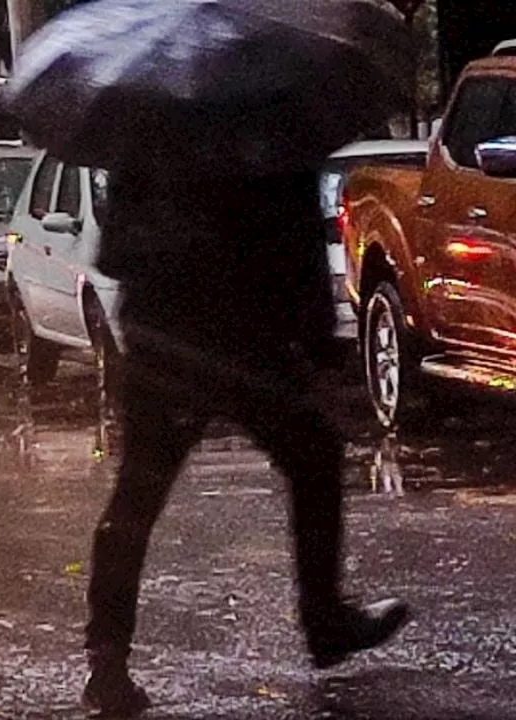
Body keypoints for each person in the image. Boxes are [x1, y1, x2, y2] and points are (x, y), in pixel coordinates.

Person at [79, 126, 410, 716]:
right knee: (313, 462)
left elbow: (114, 254)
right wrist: (314, 345)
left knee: (136, 499)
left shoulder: (147, 136)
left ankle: (107, 661)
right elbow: (301, 251)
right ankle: (324, 620)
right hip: (245, 343)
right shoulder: (270, 125)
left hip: (167, 341)